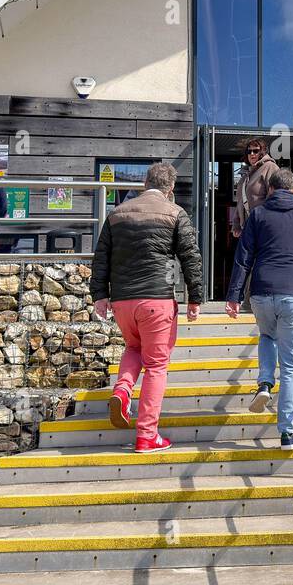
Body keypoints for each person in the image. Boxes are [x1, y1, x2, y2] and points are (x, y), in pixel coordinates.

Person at [91, 161, 203, 453]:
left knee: (133, 348)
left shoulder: (117, 214)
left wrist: (99, 295)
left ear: (144, 184)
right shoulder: (175, 213)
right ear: (171, 188)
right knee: (156, 366)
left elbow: (101, 256)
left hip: (123, 302)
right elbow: (190, 257)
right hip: (157, 300)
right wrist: (195, 297)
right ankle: (147, 435)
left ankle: (123, 391)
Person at [224, 167, 293, 450]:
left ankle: (265, 384)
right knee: (292, 366)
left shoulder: (258, 215)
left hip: (261, 293)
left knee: (267, 336)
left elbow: (242, 257)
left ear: (270, 190)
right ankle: (287, 433)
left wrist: (233, 296)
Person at [231, 138, 278, 238]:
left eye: (255, 151)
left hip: (263, 228)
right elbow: (240, 202)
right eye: (249, 151)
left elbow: (275, 198)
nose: (252, 154)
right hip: (248, 228)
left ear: (262, 152)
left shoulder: (270, 167)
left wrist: (264, 221)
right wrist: (236, 224)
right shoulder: (245, 176)